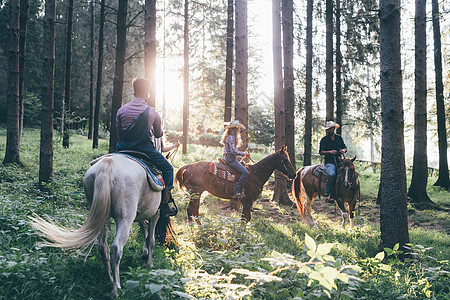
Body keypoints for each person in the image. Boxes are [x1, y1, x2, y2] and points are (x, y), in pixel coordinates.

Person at [116, 77, 177, 217]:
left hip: (122, 150)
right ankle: (165, 205)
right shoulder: (153, 113)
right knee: (168, 169)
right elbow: (158, 134)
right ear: (147, 93)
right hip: (145, 151)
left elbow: (119, 134)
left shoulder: (121, 110)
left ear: (134, 92)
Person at [319, 121, 347, 202]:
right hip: (329, 162)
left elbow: (345, 148)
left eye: (330, 129)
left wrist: (343, 150)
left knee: (348, 173)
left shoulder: (339, 138)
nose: (329, 130)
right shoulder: (324, 140)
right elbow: (321, 152)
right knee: (332, 174)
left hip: (339, 161)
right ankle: (327, 194)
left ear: (333, 129)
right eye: (328, 129)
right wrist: (330, 152)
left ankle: (346, 193)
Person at [220, 120, 249, 198]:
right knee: (245, 173)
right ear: (235, 129)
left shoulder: (229, 137)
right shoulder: (231, 138)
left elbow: (231, 151)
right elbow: (233, 151)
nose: (238, 129)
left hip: (230, 157)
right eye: (237, 128)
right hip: (231, 159)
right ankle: (236, 190)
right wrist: (244, 153)